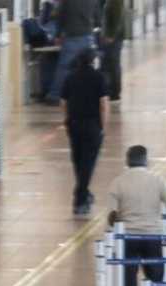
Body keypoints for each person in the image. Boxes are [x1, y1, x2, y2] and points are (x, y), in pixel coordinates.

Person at [108, 145, 166, 286]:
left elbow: (112, 216)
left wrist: (114, 238)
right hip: (152, 238)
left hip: (128, 239)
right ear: (146, 160)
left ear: (127, 161)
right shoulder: (157, 180)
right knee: (156, 284)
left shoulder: (118, 182)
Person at [61, 48, 110, 215]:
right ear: (93, 61)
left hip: (74, 124)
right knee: (88, 163)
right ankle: (80, 199)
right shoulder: (99, 77)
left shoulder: (70, 77)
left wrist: (67, 120)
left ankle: (84, 193)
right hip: (92, 125)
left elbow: (63, 102)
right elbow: (103, 104)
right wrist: (103, 126)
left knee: (78, 160)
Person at [46, 0, 100, 104]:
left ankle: (55, 95)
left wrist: (57, 35)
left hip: (71, 36)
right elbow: (98, 20)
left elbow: (60, 17)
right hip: (88, 37)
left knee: (64, 68)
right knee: (87, 67)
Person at [102, 0, 125, 101]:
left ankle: (115, 92)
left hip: (114, 38)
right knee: (111, 64)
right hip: (111, 37)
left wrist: (111, 36)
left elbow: (118, 19)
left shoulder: (116, 1)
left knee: (114, 65)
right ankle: (111, 90)